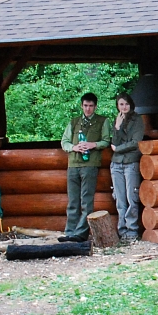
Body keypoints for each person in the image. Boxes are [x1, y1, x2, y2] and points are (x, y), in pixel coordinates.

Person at [59, 92, 112, 242]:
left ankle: (80, 234)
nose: (88, 109)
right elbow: (64, 142)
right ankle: (70, 232)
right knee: (73, 201)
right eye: (85, 105)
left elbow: (106, 141)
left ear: (95, 106)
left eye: (91, 106)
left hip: (90, 164)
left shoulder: (103, 121)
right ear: (81, 106)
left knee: (86, 201)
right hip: (73, 164)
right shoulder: (74, 122)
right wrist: (74, 147)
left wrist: (92, 144)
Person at [108, 93, 145, 241]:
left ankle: (132, 231)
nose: (124, 107)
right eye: (121, 104)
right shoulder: (117, 119)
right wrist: (117, 127)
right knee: (119, 199)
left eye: (126, 104)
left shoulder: (137, 119)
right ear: (117, 106)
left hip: (131, 162)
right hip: (116, 163)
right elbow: (114, 142)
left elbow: (135, 142)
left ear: (131, 105)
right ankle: (122, 231)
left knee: (132, 198)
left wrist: (118, 149)